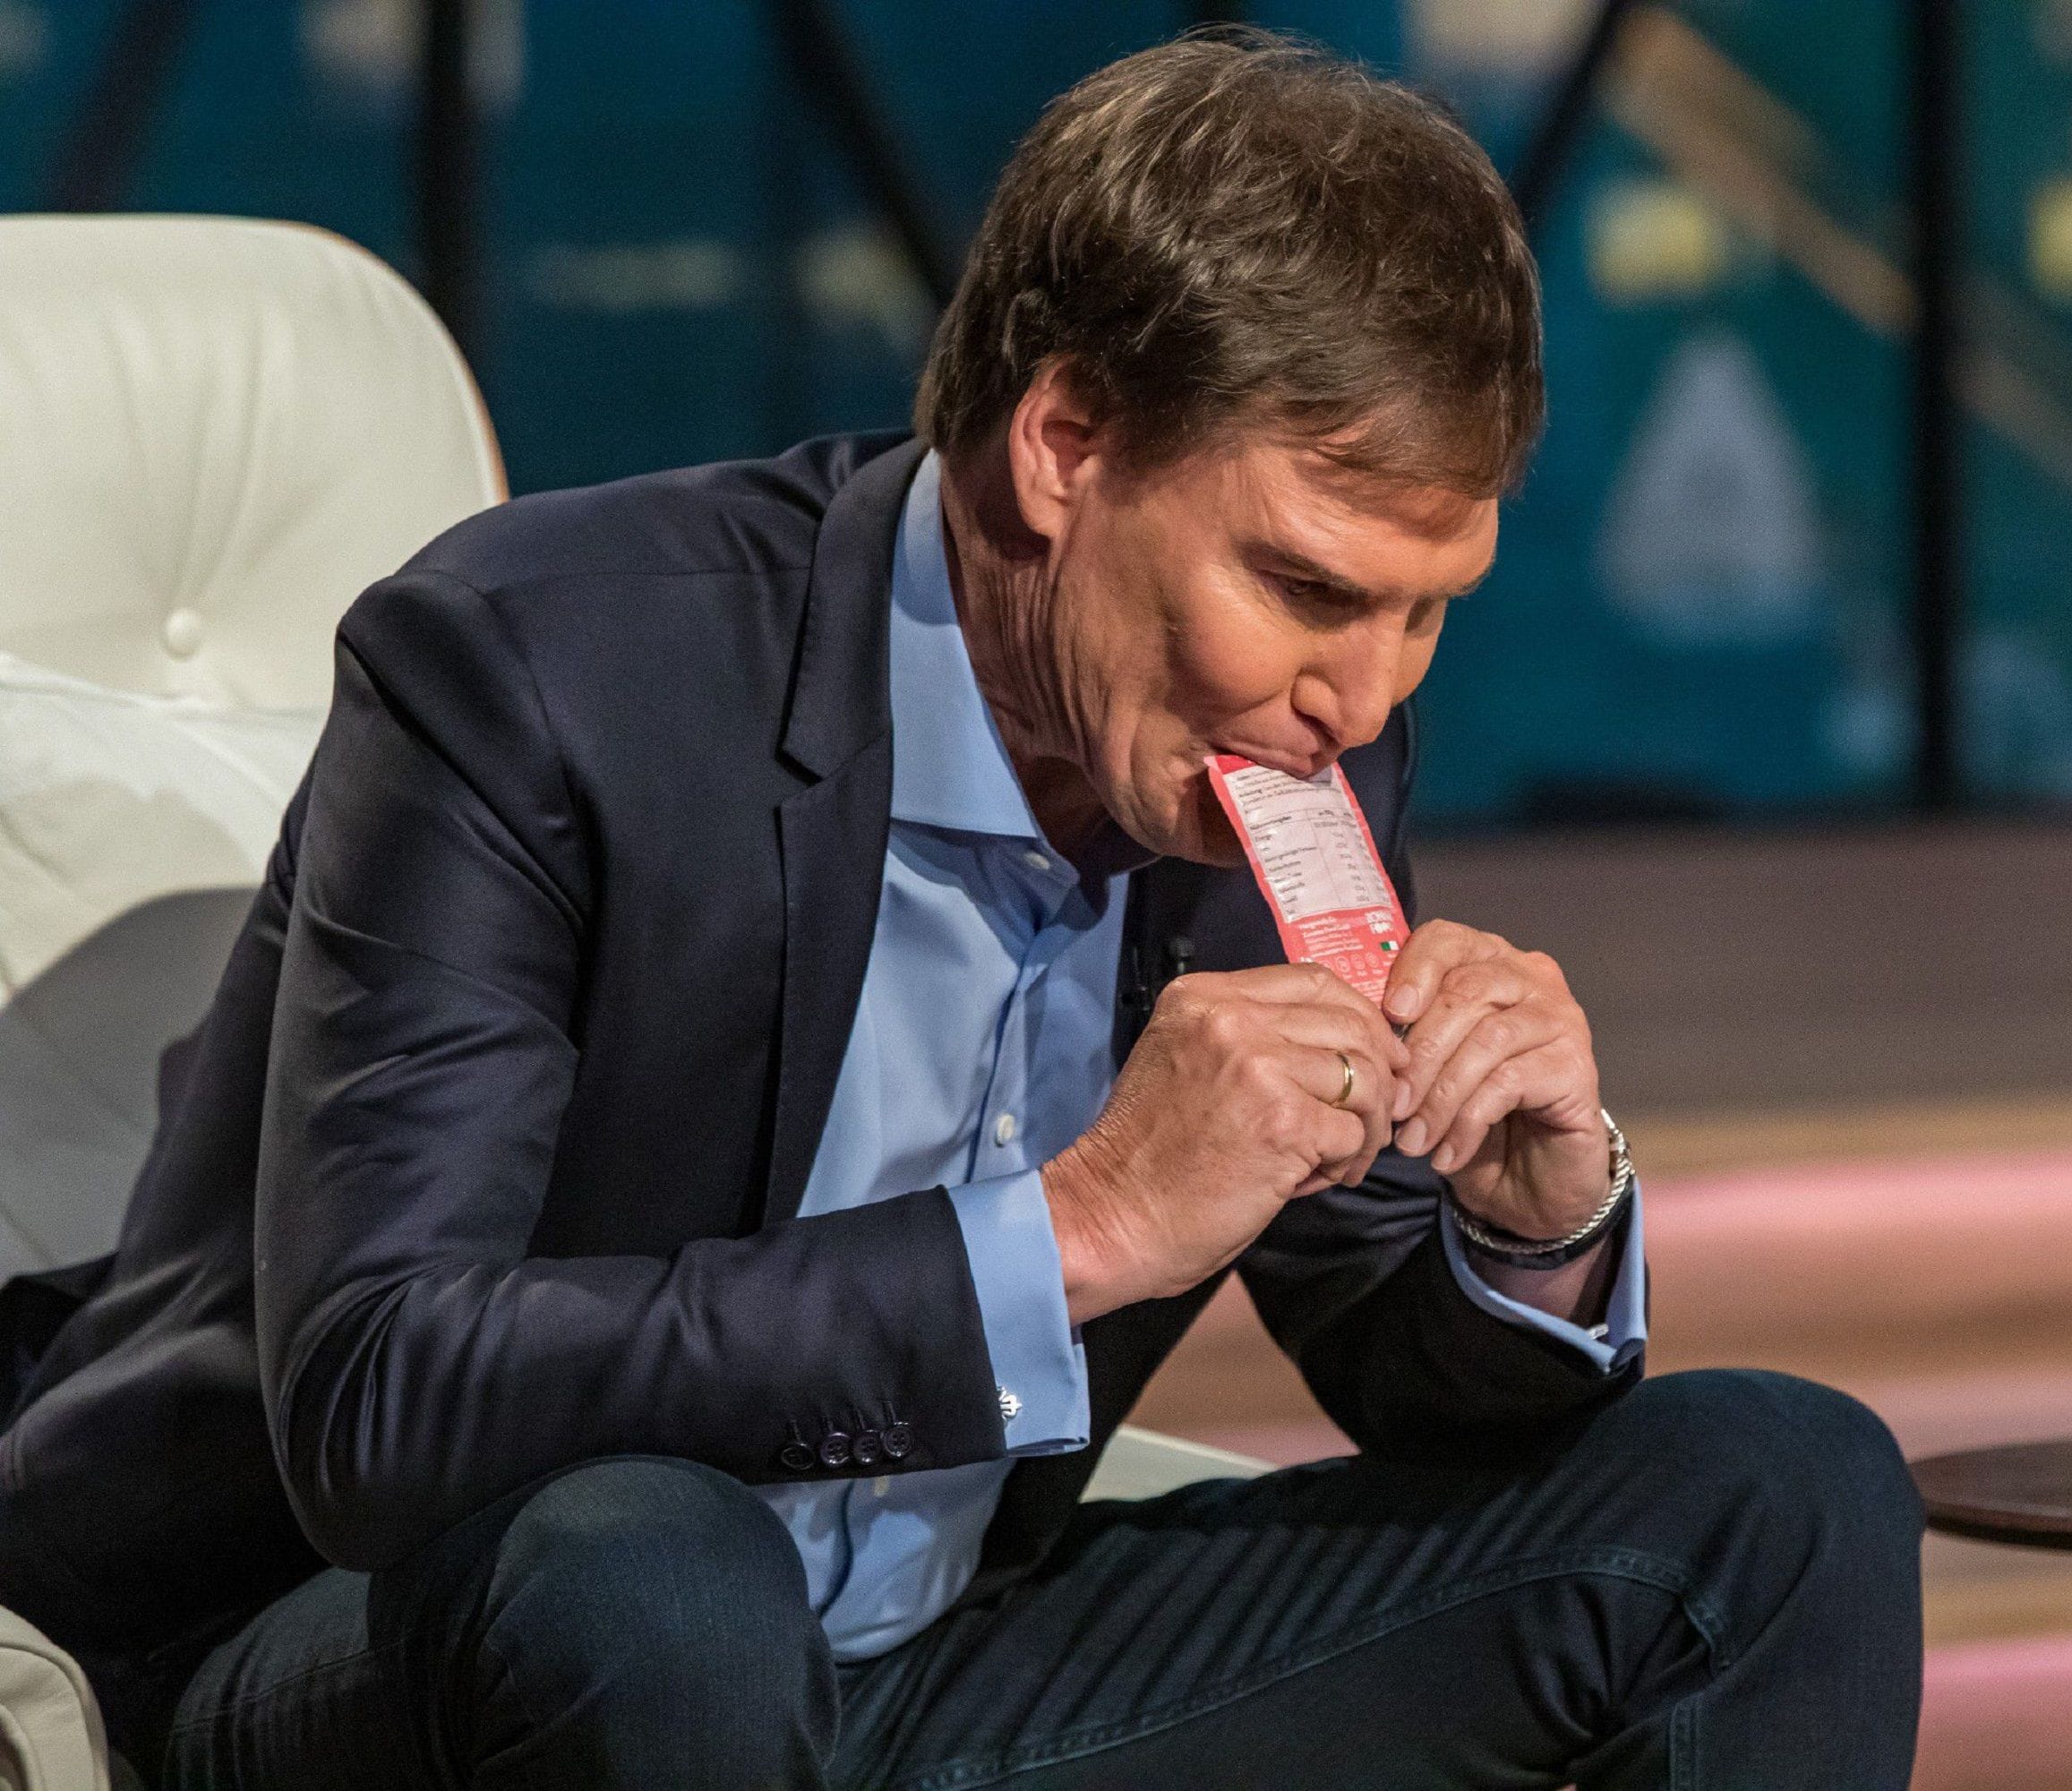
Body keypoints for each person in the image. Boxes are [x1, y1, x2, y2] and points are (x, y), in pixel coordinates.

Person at [0, 30, 1922, 1790]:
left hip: (931, 1655)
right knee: (662, 1578)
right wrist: (1076, 1230)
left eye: (1430, 613)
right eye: (1312, 588)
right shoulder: (536, 669)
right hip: (381, 1643)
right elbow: (387, 1393)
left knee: (1780, 1494)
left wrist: (1532, 1231)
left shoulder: (1273, 741)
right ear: (1066, 446)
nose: (1364, 694)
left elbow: (1395, 1356)